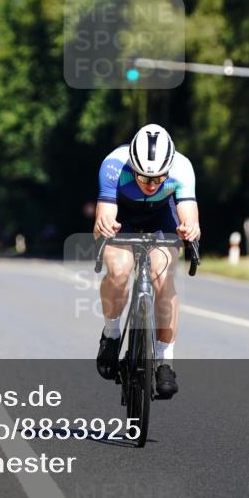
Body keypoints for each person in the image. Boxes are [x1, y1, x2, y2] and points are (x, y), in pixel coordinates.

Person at [93, 124, 201, 399]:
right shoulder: (114, 165)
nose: (152, 185)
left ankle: (165, 361)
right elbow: (102, 220)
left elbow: (189, 216)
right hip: (123, 220)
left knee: (163, 277)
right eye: (144, 178)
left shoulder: (182, 168)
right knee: (118, 270)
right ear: (132, 165)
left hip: (161, 221)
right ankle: (112, 334)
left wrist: (190, 229)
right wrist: (104, 226)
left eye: (158, 179)